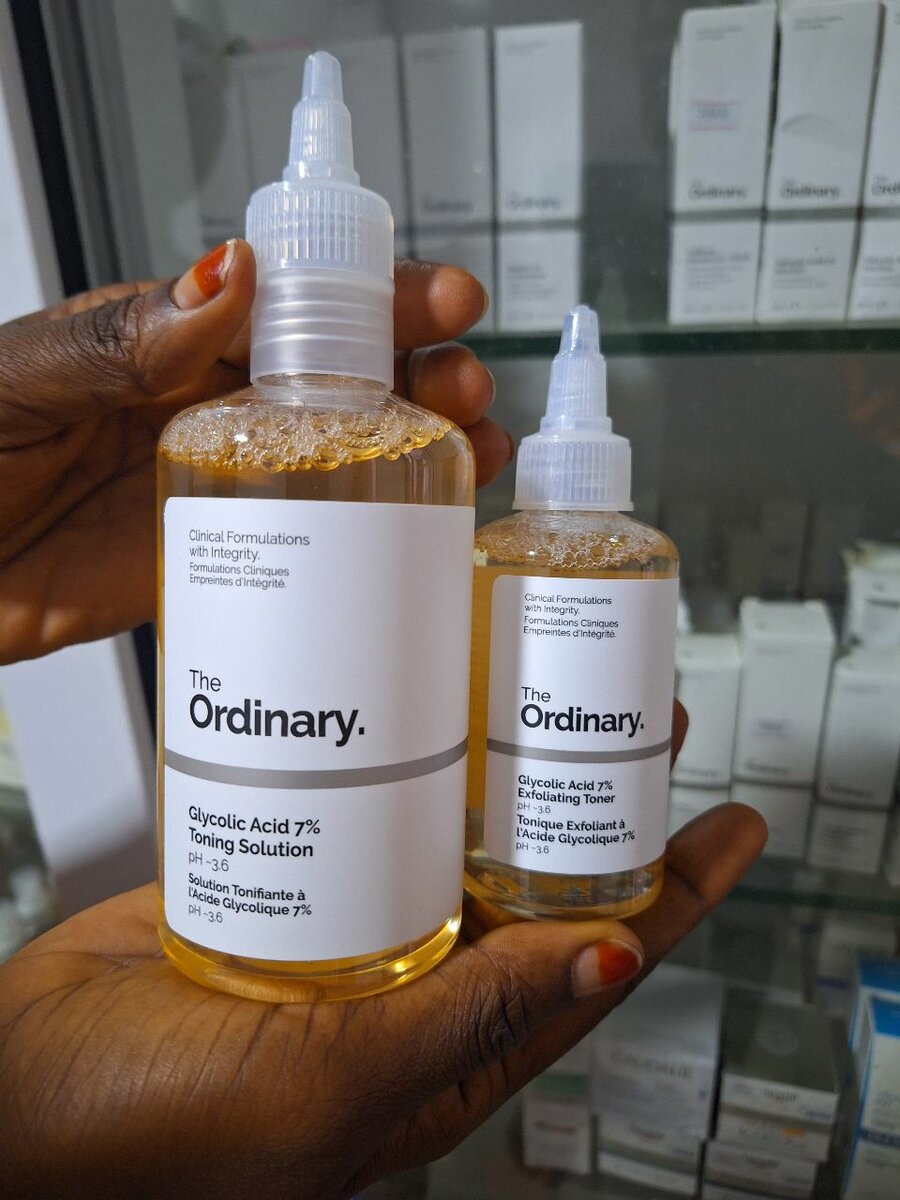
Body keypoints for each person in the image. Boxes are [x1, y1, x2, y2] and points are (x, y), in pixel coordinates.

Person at [0, 242, 767, 1199]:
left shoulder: (432, 451)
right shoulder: (205, 439)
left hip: (408, 908)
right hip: (226, 883)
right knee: (241, 720)